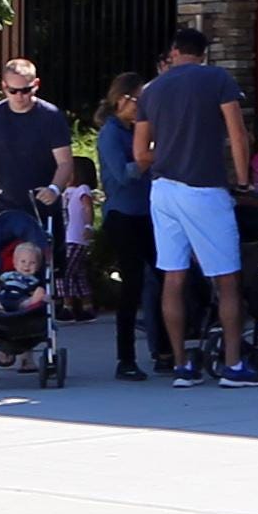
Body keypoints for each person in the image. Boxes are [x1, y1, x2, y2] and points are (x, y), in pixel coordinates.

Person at [132, 22, 258, 386]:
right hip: (204, 188)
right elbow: (238, 134)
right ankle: (233, 365)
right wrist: (243, 180)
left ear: (174, 52)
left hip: (163, 190)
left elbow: (140, 153)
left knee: (173, 276)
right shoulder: (217, 79)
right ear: (203, 54)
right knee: (226, 278)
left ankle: (181, 365)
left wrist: (164, 154)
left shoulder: (152, 90)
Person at [90, 73, 165, 379]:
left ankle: (164, 350)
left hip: (147, 212)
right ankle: (126, 359)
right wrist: (151, 156)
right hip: (122, 215)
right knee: (132, 284)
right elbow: (123, 174)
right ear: (122, 99)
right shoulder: (110, 133)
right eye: (139, 101)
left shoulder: (138, 129)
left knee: (165, 278)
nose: (142, 108)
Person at [0, 58, 74, 254]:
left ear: (36, 84)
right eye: (13, 91)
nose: (19, 96)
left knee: (46, 266)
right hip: (2, 208)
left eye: (25, 90)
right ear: (4, 86)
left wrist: (54, 188)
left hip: (42, 207)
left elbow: (65, 162)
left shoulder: (51, 116)